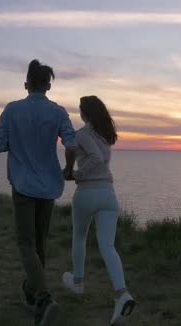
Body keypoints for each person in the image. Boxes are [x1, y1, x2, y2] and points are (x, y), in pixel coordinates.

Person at [0, 59, 77, 326]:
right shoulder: (58, 112)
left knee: (25, 242)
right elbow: (72, 143)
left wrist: (15, 140)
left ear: (26, 84)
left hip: (22, 185)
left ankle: (43, 298)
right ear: (48, 86)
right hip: (49, 185)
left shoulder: (11, 109)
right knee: (40, 240)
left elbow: (0, 145)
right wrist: (68, 168)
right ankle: (32, 291)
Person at [62, 96, 136, 325]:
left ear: (85, 113)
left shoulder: (83, 134)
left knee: (80, 237)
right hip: (108, 194)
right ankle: (122, 294)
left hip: (87, 192)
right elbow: (102, 157)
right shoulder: (105, 136)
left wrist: (77, 174)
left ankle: (78, 282)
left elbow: (95, 158)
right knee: (107, 245)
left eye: (80, 110)